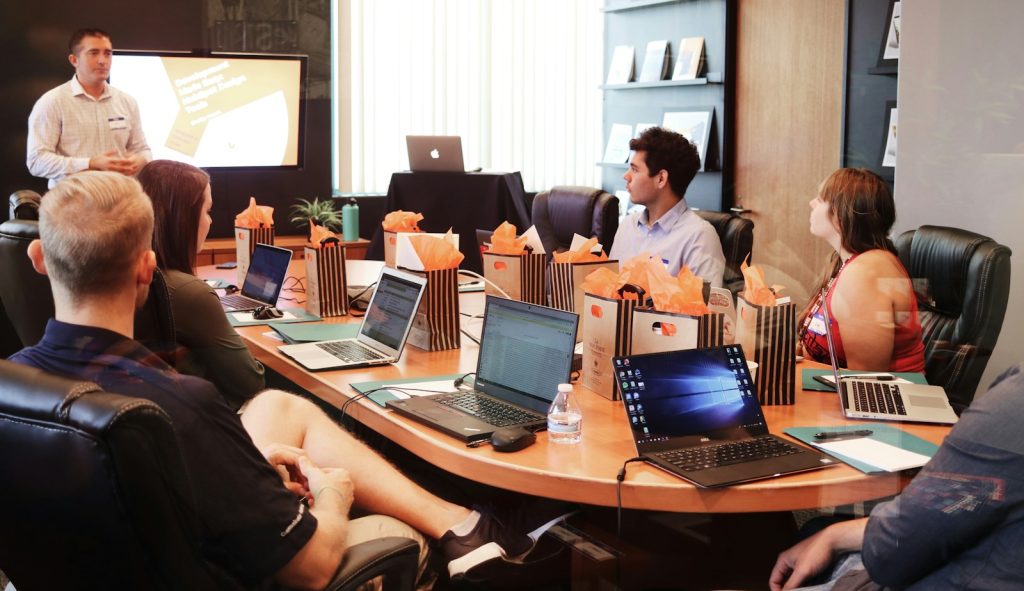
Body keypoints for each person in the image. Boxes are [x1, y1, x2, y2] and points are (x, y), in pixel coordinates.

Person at [9, 171, 544, 590]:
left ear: (38, 258)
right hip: (242, 573)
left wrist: (242, 471)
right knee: (397, 537)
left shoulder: (16, 385)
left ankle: (460, 519)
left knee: (278, 407)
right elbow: (309, 569)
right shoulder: (180, 405)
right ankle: (465, 532)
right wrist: (334, 495)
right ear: (146, 268)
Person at [769, 364, 1024, 590]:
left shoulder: (1015, 404)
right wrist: (834, 535)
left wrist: (835, 537)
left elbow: (892, 557)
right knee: (816, 529)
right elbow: (968, 504)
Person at [137, 159, 264, 410]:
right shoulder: (190, 293)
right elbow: (252, 382)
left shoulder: (129, 276)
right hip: (212, 421)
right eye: (207, 211)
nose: (211, 221)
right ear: (183, 218)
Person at [797, 168, 924, 372]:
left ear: (841, 214)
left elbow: (865, 382)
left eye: (821, 200)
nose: (811, 203)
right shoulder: (846, 262)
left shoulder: (866, 273)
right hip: (839, 391)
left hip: (883, 399)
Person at [26, 28, 151, 188]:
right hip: (72, 202)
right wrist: (90, 163)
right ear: (74, 60)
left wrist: (140, 159)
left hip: (121, 199)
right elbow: (37, 161)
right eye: (93, 53)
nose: (102, 60)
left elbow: (143, 150)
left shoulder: (127, 101)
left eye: (107, 53)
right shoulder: (52, 102)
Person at [608, 126, 725, 287]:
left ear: (661, 179)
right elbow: (608, 291)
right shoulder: (627, 226)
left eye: (635, 170)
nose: (626, 176)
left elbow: (705, 309)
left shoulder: (700, 237)